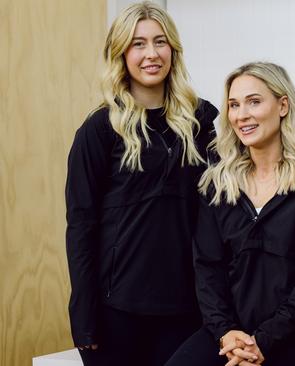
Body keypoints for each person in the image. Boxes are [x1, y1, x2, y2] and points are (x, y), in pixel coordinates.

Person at [65, 2, 218, 365]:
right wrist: (84, 316)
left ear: (173, 50)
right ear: (121, 54)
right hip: (117, 310)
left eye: (160, 42)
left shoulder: (204, 119)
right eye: (138, 44)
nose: (151, 54)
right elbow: (81, 226)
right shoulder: (100, 129)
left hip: (187, 306)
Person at [165, 62, 295, 366]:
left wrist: (263, 342)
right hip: (231, 335)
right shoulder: (219, 183)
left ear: (283, 105)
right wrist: (226, 332)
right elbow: (207, 268)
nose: (241, 115)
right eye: (234, 105)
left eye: (254, 101)